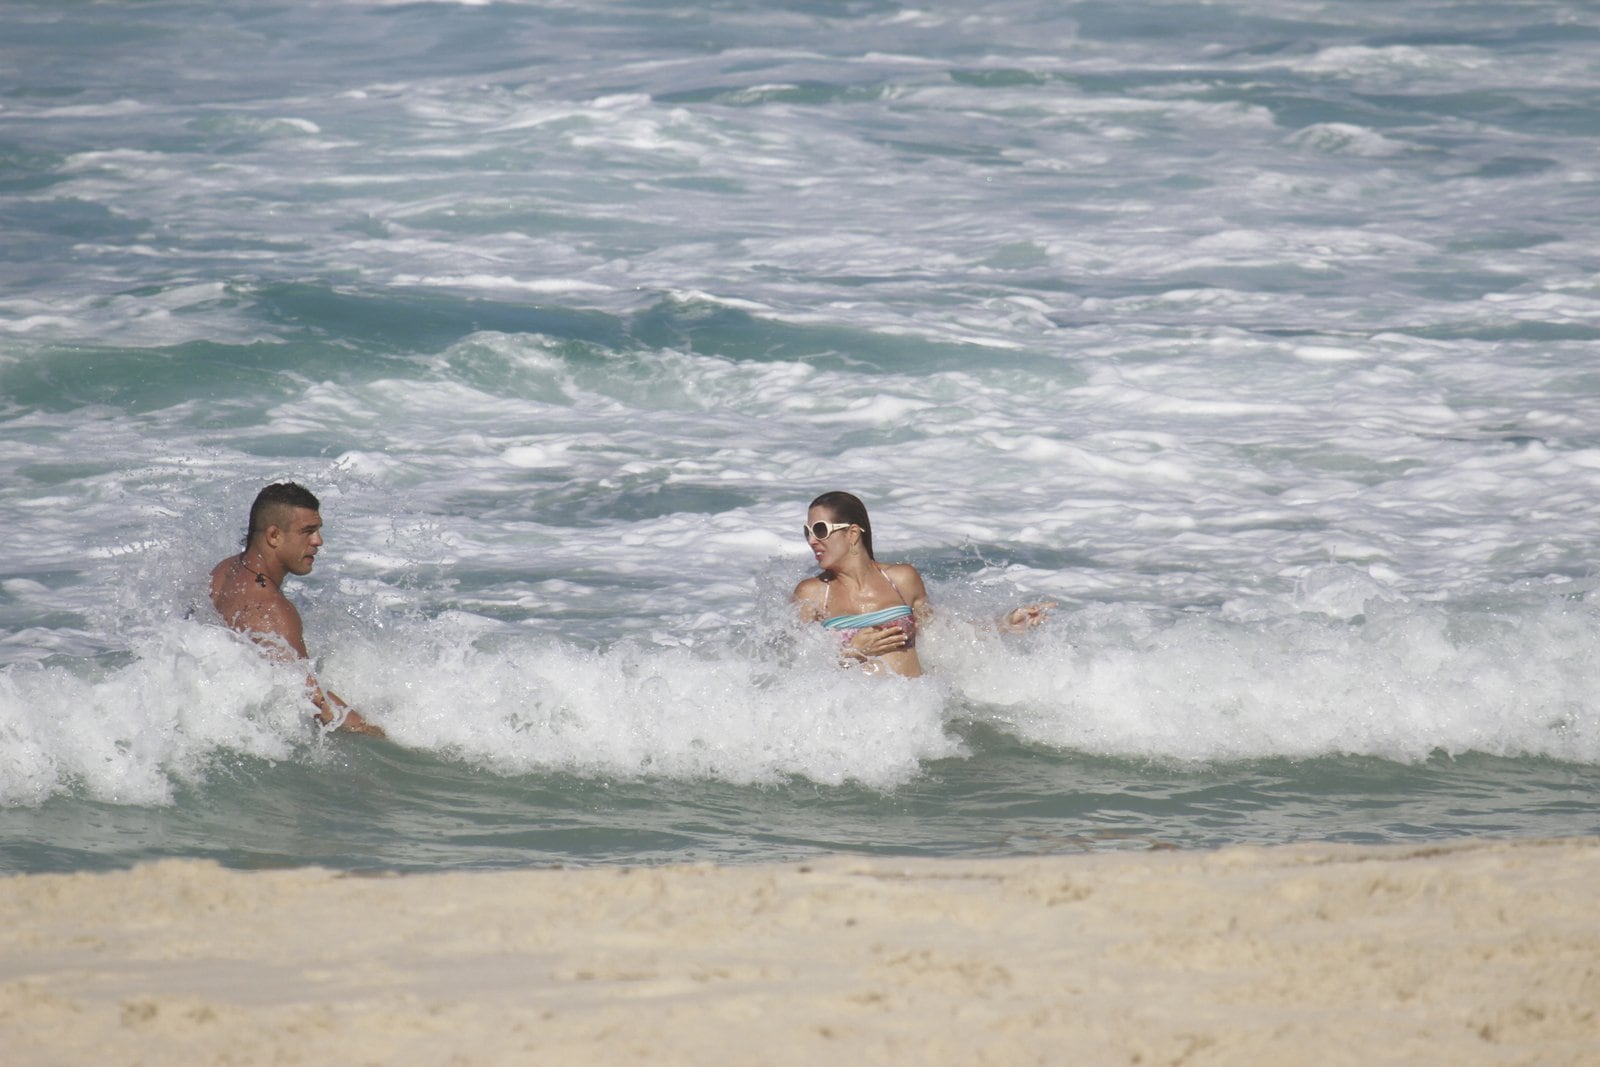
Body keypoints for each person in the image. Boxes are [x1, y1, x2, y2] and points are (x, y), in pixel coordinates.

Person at [791, 491, 1051, 677]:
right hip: (858, 725)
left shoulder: (901, 579)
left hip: (916, 718)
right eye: (808, 532)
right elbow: (793, 670)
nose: (812, 540)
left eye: (821, 530)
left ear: (853, 533)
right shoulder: (812, 594)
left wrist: (1003, 624)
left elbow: (944, 634)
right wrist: (852, 652)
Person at [210, 482, 384, 737]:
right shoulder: (272, 610)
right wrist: (369, 731)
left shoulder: (225, 570)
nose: (318, 541)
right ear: (274, 536)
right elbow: (310, 697)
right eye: (308, 531)